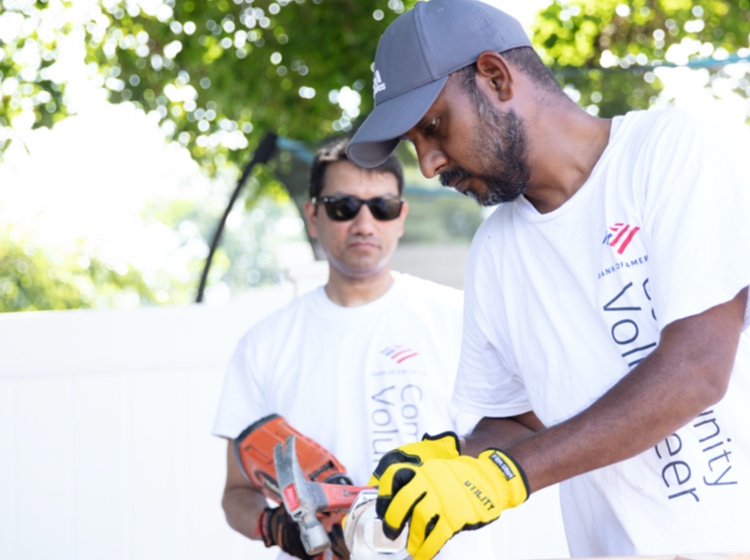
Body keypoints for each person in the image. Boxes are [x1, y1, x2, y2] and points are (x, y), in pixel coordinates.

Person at [346, 1, 750, 559]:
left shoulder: (668, 151)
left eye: (433, 127)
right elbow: (518, 418)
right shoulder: (494, 254)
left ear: (495, 76)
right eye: (416, 145)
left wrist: (505, 476)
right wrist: (454, 459)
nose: (429, 165)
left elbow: (698, 370)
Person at [212, 136, 498, 559]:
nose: (364, 223)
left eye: (382, 207)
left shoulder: (458, 319)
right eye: (343, 206)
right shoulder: (264, 345)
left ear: (401, 216)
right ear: (313, 216)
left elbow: (496, 452)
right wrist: (275, 528)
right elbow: (236, 493)